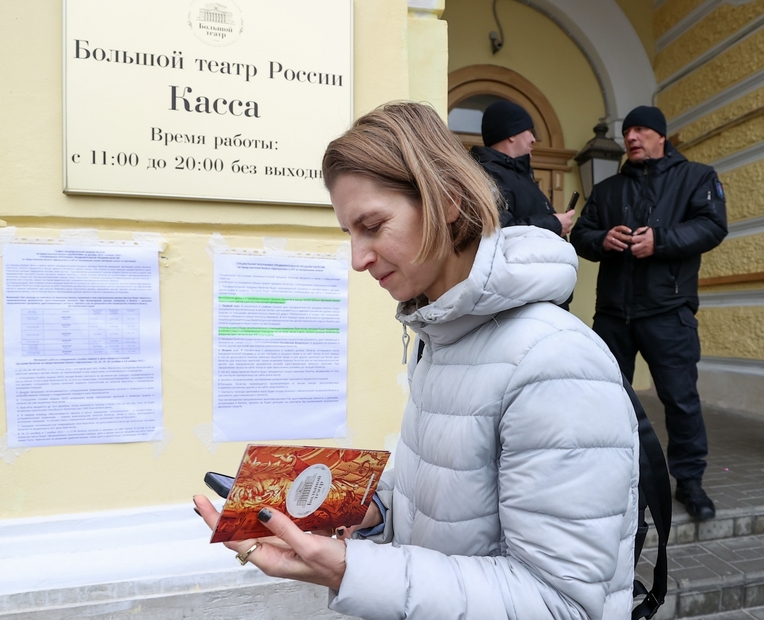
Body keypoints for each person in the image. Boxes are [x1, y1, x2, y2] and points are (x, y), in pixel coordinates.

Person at [194, 101, 640, 619]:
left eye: (373, 226)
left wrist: (348, 569)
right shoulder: (445, 335)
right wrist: (362, 507)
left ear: (446, 201)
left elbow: (560, 603)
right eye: (350, 234)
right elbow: (452, 502)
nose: (358, 259)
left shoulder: (555, 362)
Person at [570, 105, 727, 522]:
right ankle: (610, 477)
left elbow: (713, 226)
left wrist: (661, 240)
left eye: (641, 130)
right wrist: (603, 238)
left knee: (680, 400)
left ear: (660, 135)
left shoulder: (697, 177)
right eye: (628, 132)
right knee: (607, 398)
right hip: (613, 313)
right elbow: (581, 236)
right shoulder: (607, 190)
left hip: (668, 311)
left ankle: (689, 483)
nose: (632, 138)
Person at [469, 100, 575, 238]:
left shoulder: (523, 176)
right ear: (511, 134)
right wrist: (554, 224)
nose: (533, 139)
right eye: (529, 131)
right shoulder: (487, 174)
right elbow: (499, 230)